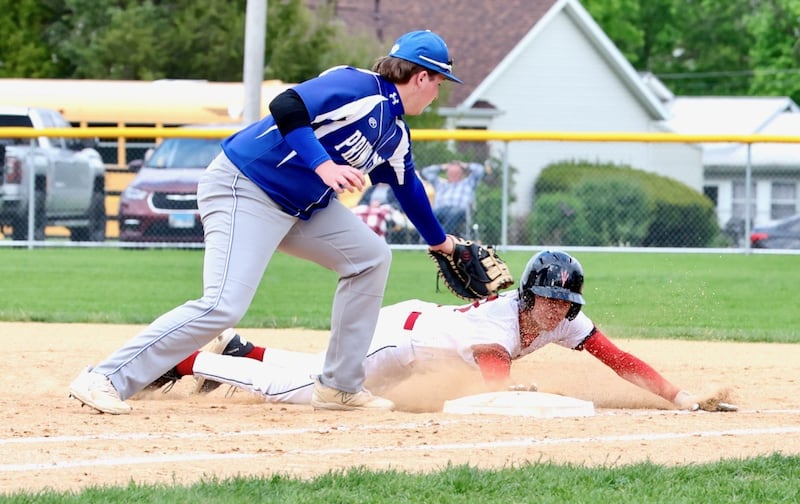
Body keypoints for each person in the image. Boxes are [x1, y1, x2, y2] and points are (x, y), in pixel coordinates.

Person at [68, 29, 464, 415]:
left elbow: (408, 187)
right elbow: (287, 105)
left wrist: (440, 242)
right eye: (439, 82)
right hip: (246, 185)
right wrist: (323, 165)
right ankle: (105, 377)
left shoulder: (394, 136)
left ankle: (340, 387)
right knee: (223, 304)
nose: (438, 92)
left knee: (371, 257)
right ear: (421, 76)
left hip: (297, 208)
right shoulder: (359, 86)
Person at [154, 251, 704, 411]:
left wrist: (680, 398)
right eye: (550, 300)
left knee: (313, 368)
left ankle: (243, 350)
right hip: (397, 340)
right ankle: (187, 362)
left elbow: (618, 359)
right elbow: (494, 385)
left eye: (566, 304)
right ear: (530, 294)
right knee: (313, 392)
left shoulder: (563, 321)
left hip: (414, 330)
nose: (558, 313)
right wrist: (521, 394)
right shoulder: (498, 320)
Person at [420, 160, 488, 235]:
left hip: (460, 211)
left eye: (456, 172)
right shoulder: (440, 184)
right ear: (447, 173)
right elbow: (425, 172)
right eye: (451, 172)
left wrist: (465, 165)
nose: (454, 174)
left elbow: (480, 170)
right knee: (429, 214)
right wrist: (442, 167)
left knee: (454, 212)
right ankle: (428, 238)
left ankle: (442, 237)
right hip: (440, 210)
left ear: (462, 173)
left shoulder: (468, 183)